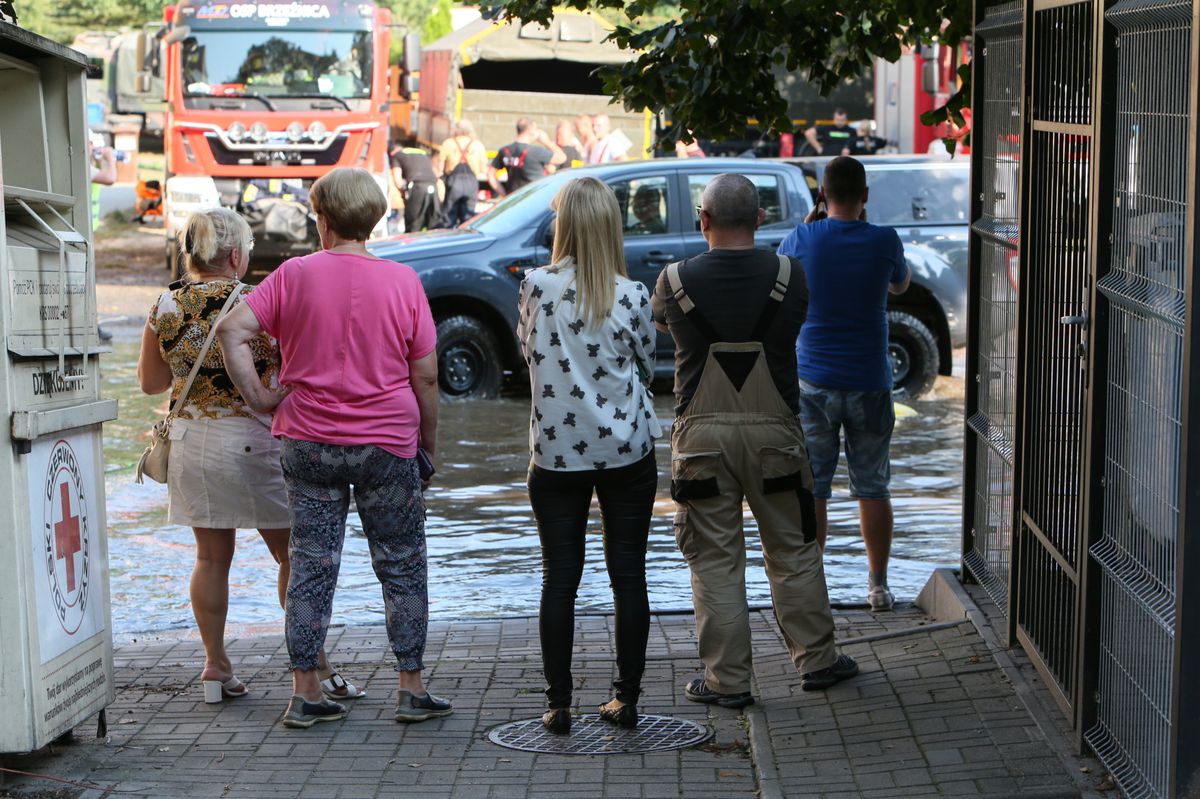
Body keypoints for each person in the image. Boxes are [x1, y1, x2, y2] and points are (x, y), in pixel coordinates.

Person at [216, 167, 449, 729]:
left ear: (322, 220)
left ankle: (305, 692)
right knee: (401, 565)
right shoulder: (403, 282)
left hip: (308, 441)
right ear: (373, 221)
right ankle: (411, 687)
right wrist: (427, 445)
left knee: (311, 567)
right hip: (385, 444)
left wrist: (263, 398)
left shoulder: (293, 275)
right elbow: (426, 378)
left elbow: (231, 331)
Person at [653, 173, 858, 708]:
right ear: (760, 219)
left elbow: (661, 325)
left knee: (715, 559)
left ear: (704, 220)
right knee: (792, 549)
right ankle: (818, 661)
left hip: (701, 439)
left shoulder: (673, 281)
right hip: (776, 434)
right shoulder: (792, 274)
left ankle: (727, 682)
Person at [137, 208, 358, 706]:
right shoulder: (259, 301)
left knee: (211, 558)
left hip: (192, 441)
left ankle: (216, 666)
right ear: (235, 255)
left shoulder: (166, 303)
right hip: (256, 442)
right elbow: (292, 373)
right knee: (292, 556)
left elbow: (151, 383)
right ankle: (316, 667)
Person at [517, 176, 662, 734]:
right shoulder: (631, 294)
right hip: (626, 450)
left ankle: (558, 704)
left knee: (559, 579)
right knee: (629, 575)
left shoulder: (534, 286)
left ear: (566, 226)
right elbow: (647, 364)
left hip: (555, 455)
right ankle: (625, 699)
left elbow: (526, 348)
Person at [776, 156, 910, 612]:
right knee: (873, 485)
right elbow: (900, 285)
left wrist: (811, 224)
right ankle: (878, 585)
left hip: (813, 381)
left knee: (814, 486)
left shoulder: (801, 238)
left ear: (822, 196)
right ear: (865, 196)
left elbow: (781, 278)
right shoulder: (884, 240)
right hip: (871, 380)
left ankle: (814, 587)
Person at [486, 118, 566, 197]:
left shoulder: (504, 150)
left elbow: (490, 174)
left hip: (513, 201)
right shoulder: (536, 152)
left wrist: (504, 194)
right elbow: (562, 157)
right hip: (532, 200)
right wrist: (546, 141)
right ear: (531, 130)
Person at [434, 119, 487, 227]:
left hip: (453, 182)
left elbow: (440, 167)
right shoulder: (478, 145)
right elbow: (483, 169)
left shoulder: (448, 143)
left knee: (449, 217)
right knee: (468, 218)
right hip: (471, 183)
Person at [390, 140, 441, 232]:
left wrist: (404, 192)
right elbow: (436, 172)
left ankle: (412, 245)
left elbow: (397, 180)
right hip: (433, 185)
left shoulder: (398, 155)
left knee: (413, 223)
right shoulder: (424, 154)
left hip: (417, 187)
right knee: (433, 223)